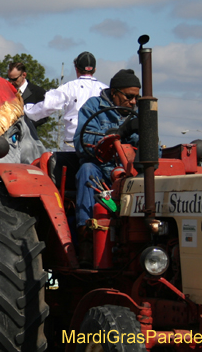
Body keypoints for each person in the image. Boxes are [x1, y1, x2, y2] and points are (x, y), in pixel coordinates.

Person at [73, 69, 141, 261]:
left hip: (129, 172)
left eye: (137, 97)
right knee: (87, 170)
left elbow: (153, 149)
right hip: (100, 170)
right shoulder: (93, 107)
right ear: (114, 93)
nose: (133, 102)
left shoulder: (140, 112)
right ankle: (87, 233)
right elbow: (82, 141)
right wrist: (119, 132)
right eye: (129, 97)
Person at [24, 52, 106, 151]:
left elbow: (47, 105)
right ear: (95, 69)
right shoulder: (106, 90)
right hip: (101, 146)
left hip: (73, 146)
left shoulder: (69, 87)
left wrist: (26, 110)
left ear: (76, 68)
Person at [7, 62, 48, 127]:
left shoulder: (38, 92)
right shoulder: (6, 91)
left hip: (27, 134)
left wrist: (25, 125)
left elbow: (44, 117)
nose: (11, 82)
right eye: (9, 79)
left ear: (24, 75)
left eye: (14, 79)